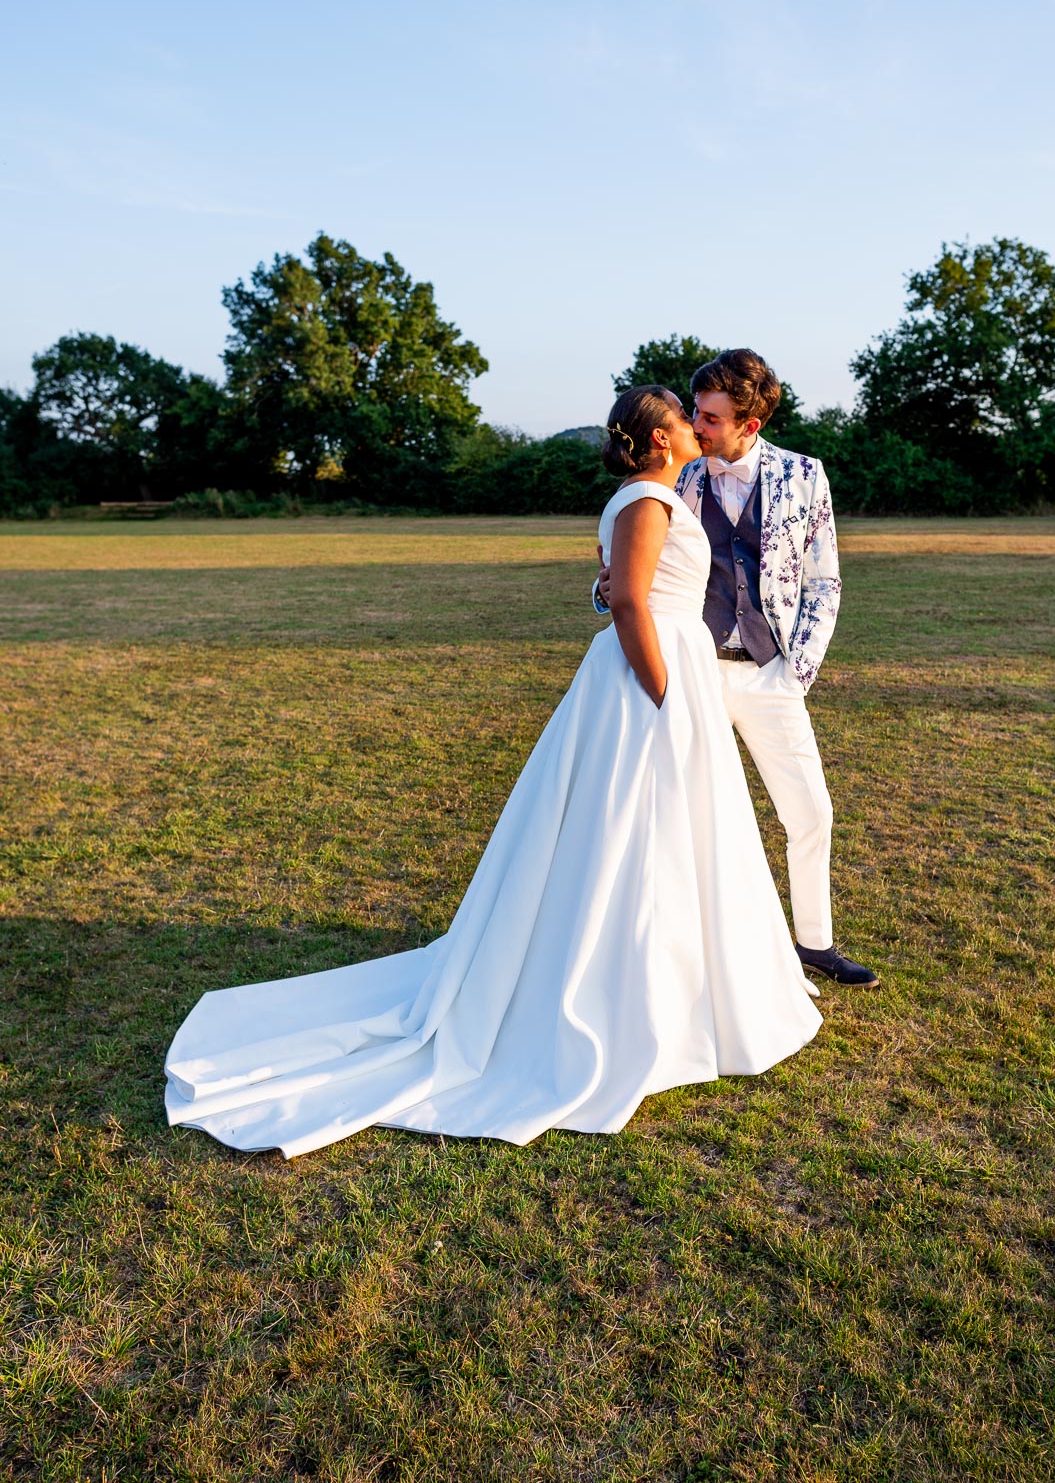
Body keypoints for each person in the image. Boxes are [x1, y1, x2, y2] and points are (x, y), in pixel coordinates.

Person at [164, 386, 821, 1159]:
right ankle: (621, 989)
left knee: (671, 830)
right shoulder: (647, 501)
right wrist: (668, 696)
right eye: (682, 416)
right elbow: (632, 607)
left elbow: (624, 589)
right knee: (633, 825)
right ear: (660, 438)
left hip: (669, 667)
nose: (691, 425)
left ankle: (682, 981)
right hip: (653, 676)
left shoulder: (651, 497)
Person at [596, 350, 878, 989]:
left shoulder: (806, 475)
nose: (697, 426)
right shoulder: (679, 475)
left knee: (810, 812)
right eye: (694, 413)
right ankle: (687, 958)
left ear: (749, 425)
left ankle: (816, 945)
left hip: (770, 673)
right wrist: (603, 589)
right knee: (685, 816)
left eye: (712, 418)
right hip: (690, 672)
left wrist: (795, 672)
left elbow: (824, 581)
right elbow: (630, 580)